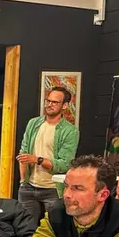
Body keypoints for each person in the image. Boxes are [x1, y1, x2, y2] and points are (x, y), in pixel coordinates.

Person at [17, 86, 80, 226]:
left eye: (55, 102)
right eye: (48, 101)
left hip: (52, 189)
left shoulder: (70, 131)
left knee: (54, 228)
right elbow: (23, 152)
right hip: (29, 186)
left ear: (64, 105)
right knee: (25, 228)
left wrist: (37, 160)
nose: (50, 105)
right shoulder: (34, 123)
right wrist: (23, 181)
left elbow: (64, 164)